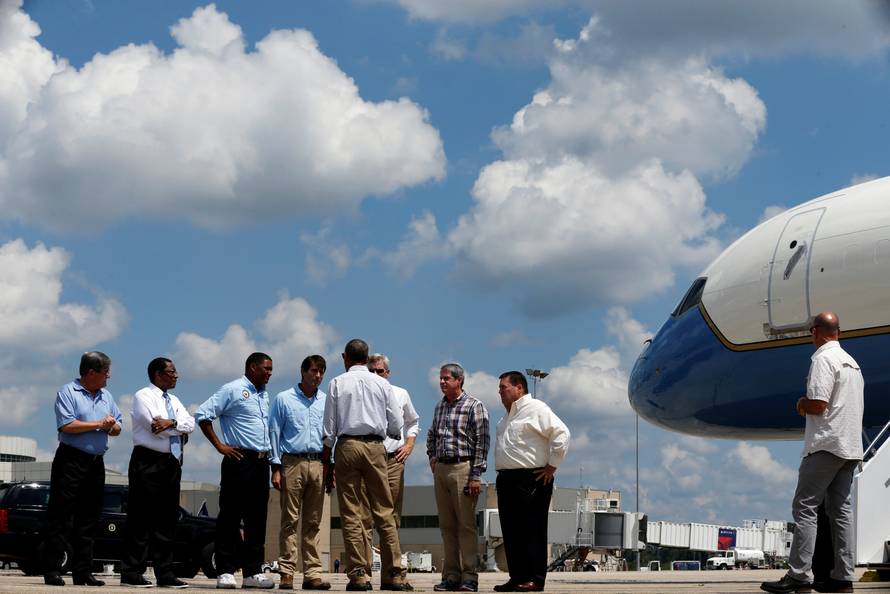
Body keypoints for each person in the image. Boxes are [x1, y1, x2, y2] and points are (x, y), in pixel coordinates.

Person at [761, 312, 864, 594]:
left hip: (825, 445)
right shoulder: (853, 364)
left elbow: (818, 404)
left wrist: (801, 403)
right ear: (838, 333)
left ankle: (799, 576)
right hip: (851, 447)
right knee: (840, 511)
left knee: (805, 508)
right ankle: (843, 578)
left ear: (816, 332)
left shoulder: (822, 359)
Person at [321, 339, 406, 591]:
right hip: (375, 446)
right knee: (384, 510)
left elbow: (329, 427)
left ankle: (359, 574)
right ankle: (394, 574)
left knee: (351, 512)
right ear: (367, 358)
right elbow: (396, 423)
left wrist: (328, 457)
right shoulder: (381, 383)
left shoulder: (337, 382)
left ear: (345, 357)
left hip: (347, 445)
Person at [195, 352, 275, 590]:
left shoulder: (264, 395)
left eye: (271, 369)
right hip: (239, 459)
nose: (270, 373)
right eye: (266, 368)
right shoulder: (233, 389)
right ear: (252, 367)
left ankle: (252, 572)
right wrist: (220, 445)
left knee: (257, 519)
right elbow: (203, 414)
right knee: (230, 517)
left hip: (262, 462)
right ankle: (226, 570)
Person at [42, 351, 122, 587]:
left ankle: (83, 571)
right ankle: (52, 569)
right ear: (91, 373)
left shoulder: (107, 396)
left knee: (89, 517)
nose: (108, 378)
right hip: (71, 460)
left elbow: (117, 427)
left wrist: (110, 426)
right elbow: (66, 425)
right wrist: (100, 424)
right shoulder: (68, 392)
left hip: (96, 462)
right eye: (106, 373)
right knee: (61, 516)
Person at [120, 357, 195, 589]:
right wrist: (176, 429)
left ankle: (165, 572)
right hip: (147, 461)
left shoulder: (174, 400)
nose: (176, 375)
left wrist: (171, 423)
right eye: (172, 371)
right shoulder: (143, 396)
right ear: (157, 374)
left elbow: (190, 423)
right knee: (140, 517)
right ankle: (132, 571)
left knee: (166, 520)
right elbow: (155, 428)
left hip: (171, 463)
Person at [493, 371, 570, 593]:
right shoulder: (505, 418)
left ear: (519, 388)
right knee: (511, 531)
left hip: (531, 478)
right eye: (499, 389)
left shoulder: (536, 409)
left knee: (532, 530)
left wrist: (552, 465)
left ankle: (536, 579)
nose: (500, 392)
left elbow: (562, 434)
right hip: (507, 479)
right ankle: (517, 577)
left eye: (503, 387)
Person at [426, 363, 490, 593]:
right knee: (447, 526)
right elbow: (431, 434)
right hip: (442, 470)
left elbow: (482, 443)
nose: (442, 382)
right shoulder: (439, 406)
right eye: (440, 378)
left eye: (446, 378)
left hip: (464, 468)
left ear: (459, 380)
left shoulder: (474, 406)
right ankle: (451, 576)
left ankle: (469, 576)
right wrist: (432, 458)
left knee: (466, 525)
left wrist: (476, 476)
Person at [270, 355, 331, 591]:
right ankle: (286, 572)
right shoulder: (284, 399)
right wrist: (275, 467)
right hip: (291, 462)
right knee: (289, 520)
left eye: (321, 372)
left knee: (313, 522)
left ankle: (312, 574)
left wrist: (330, 466)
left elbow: (330, 435)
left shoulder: (326, 401)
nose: (317, 376)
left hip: (318, 463)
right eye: (314, 371)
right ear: (303, 371)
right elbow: (274, 433)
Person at [360, 354, 421, 588]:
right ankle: (363, 573)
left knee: (391, 519)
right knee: (364, 518)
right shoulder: (362, 392)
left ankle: (391, 574)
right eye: (372, 371)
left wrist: (409, 445)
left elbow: (413, 421)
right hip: (368, 458)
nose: (377, 375)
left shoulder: (400, 393)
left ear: (388, 373)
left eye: (380, 371)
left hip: (393, 460)